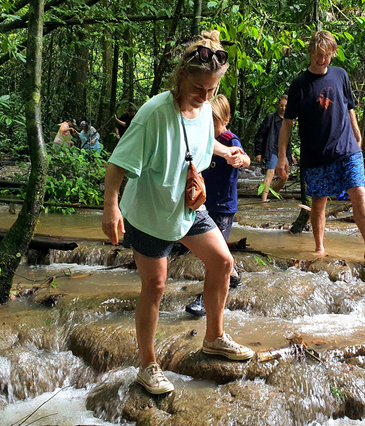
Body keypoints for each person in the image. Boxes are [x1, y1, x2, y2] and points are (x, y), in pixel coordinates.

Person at [102, 30, 255, 396]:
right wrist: (110, 207)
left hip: (186, 207)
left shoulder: (203, 108)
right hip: (151, 212)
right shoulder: (153, 113)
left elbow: (200, 142)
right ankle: (148, 365)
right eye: (198, 88)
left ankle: (214, 337)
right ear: (181, 76)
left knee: (222, 262)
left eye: (212, 91)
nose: (205, 97)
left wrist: (220, 157)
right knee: (155, 286)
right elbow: (118, 163)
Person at [276, 30, 365, 269]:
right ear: (310, 53)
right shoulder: (299, 84)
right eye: (317, 55)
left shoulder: (340, 75)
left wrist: (357, 133)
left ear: (332, 54)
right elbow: (288, 123)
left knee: (359, 193)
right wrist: (282, 156)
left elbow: (349, 106)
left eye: (326, 55)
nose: (322, 60)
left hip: (347, 148)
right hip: (315, 153)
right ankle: (319, 248)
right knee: (319, 201)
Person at [185, 94, 248, 317]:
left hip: (223, 206)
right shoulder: (201, 139)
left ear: (226, 120)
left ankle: (205, 299)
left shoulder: (230, 140)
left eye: (215, 123)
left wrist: (240, 159)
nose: (210, 128)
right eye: (206, 123)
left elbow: (246, 159)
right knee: (215, 251)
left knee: (214, 254)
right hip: (204, 204)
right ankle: (233, 274)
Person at [254, 95, 295, 202]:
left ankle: (271, 195)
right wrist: (258, 152)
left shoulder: (288, 120)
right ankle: (263, 200)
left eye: (285, 106)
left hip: (284, 151)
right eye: (281, 105)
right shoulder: (270, 118)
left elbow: (288, 139)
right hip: (271, 148)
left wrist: (290, 155)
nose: (283, 108)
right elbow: (260, 135)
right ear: (278, 105)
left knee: (284, 176)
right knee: (271, 173)